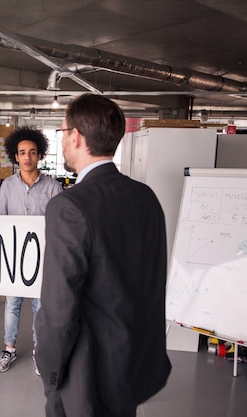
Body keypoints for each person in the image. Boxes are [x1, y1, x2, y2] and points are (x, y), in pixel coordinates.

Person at [35, 94, 171, 417]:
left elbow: (57, 311)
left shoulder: (69, 207)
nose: (64, 139)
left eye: (63, 131)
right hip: (131, 362)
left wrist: (49, 370)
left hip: (87, 376)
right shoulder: (146, 197)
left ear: (76, 136)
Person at [0, 126, 62, 375]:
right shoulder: (7, 185)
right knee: (11, 305)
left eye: (32, 152)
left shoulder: (53, 186)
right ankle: (9, 348)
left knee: (40, 307)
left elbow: (60, 223)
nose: (27, 157)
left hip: (41, 259)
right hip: (13, 259)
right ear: (15, 156)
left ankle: (39, 351)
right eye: (22, 152)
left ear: (40, 156)